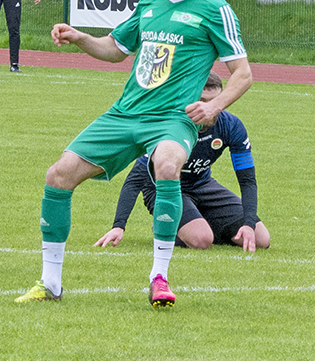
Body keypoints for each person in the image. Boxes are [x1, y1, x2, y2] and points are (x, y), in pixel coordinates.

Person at [14, 0, 252, 308]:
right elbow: (114, 48)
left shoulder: (215, 9)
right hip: (125, 113)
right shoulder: (150, 4)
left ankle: (159, 277)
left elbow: (243, 72)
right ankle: (50, 284)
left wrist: (214, 106)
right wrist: (80, 37)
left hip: (172, 117)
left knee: (169, 164)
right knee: (58, 175)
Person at [94, 71, 270, 253]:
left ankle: (194, 222)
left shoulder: (231, 126)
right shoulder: (170, 126)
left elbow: (247, 179)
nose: (209, 107)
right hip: (163, 188)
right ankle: (166, 226)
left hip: (202, 184)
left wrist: (249, 223)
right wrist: (119, 225)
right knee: (202, 240)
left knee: (261, 238)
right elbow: (136, 177)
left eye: (214, 101)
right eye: (202, 99)